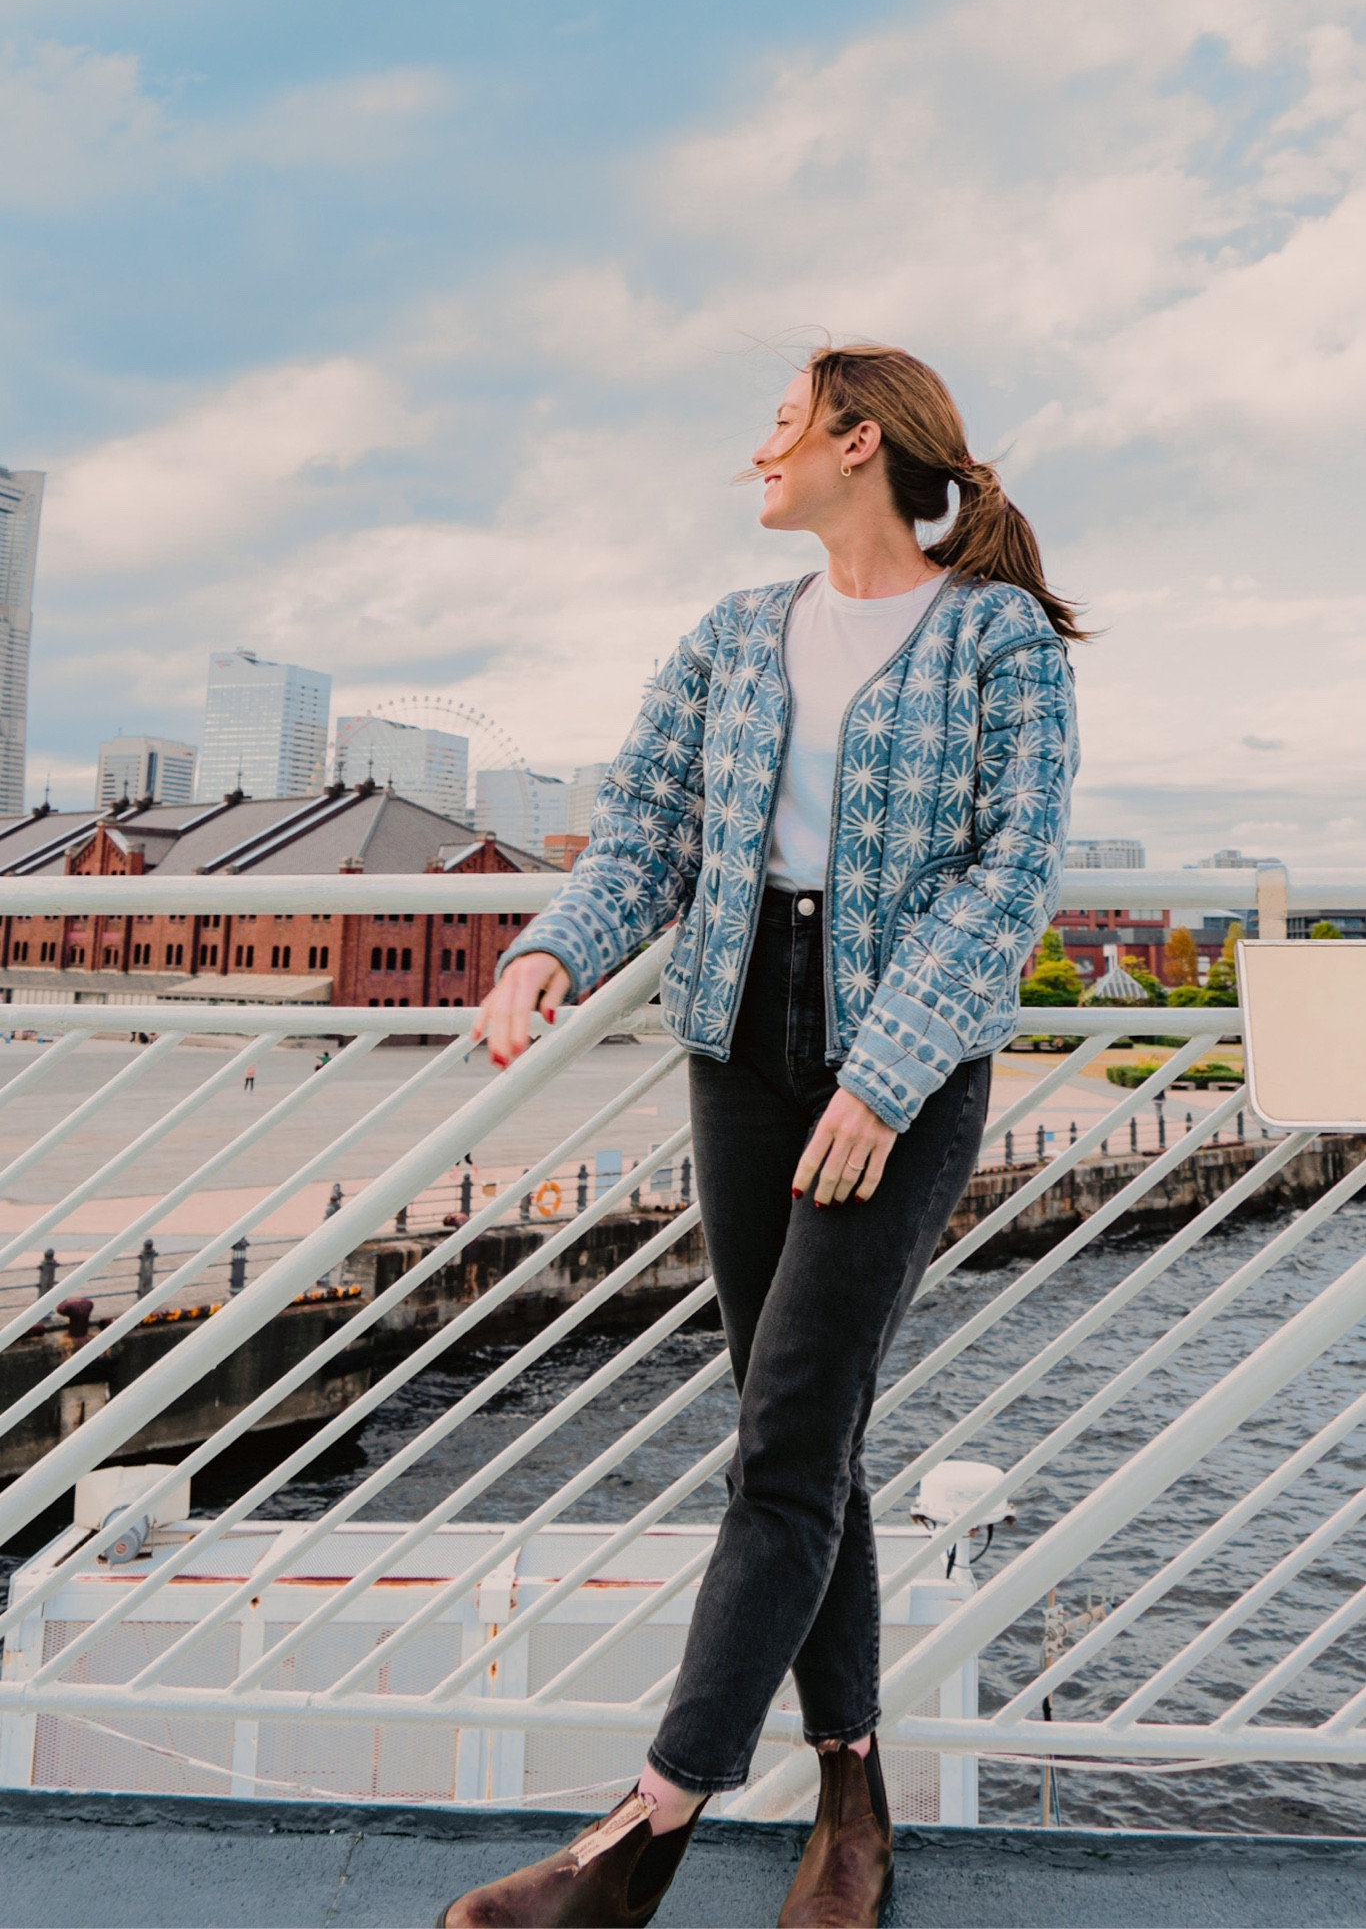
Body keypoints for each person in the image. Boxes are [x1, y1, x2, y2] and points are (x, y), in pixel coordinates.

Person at [439, 344, 1081, 1929]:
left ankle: (641, 1836)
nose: (758, 454)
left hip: (898, 1076)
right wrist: (547, 951)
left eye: (779, 426)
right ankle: (851, 1799)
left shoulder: (996, 637)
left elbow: (1008, 878)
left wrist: (884, 1075)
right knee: (805, 1442)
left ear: (856, 443)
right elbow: (647, 831)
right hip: (738, 1053)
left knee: (785, 1442)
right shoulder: (732, 634)